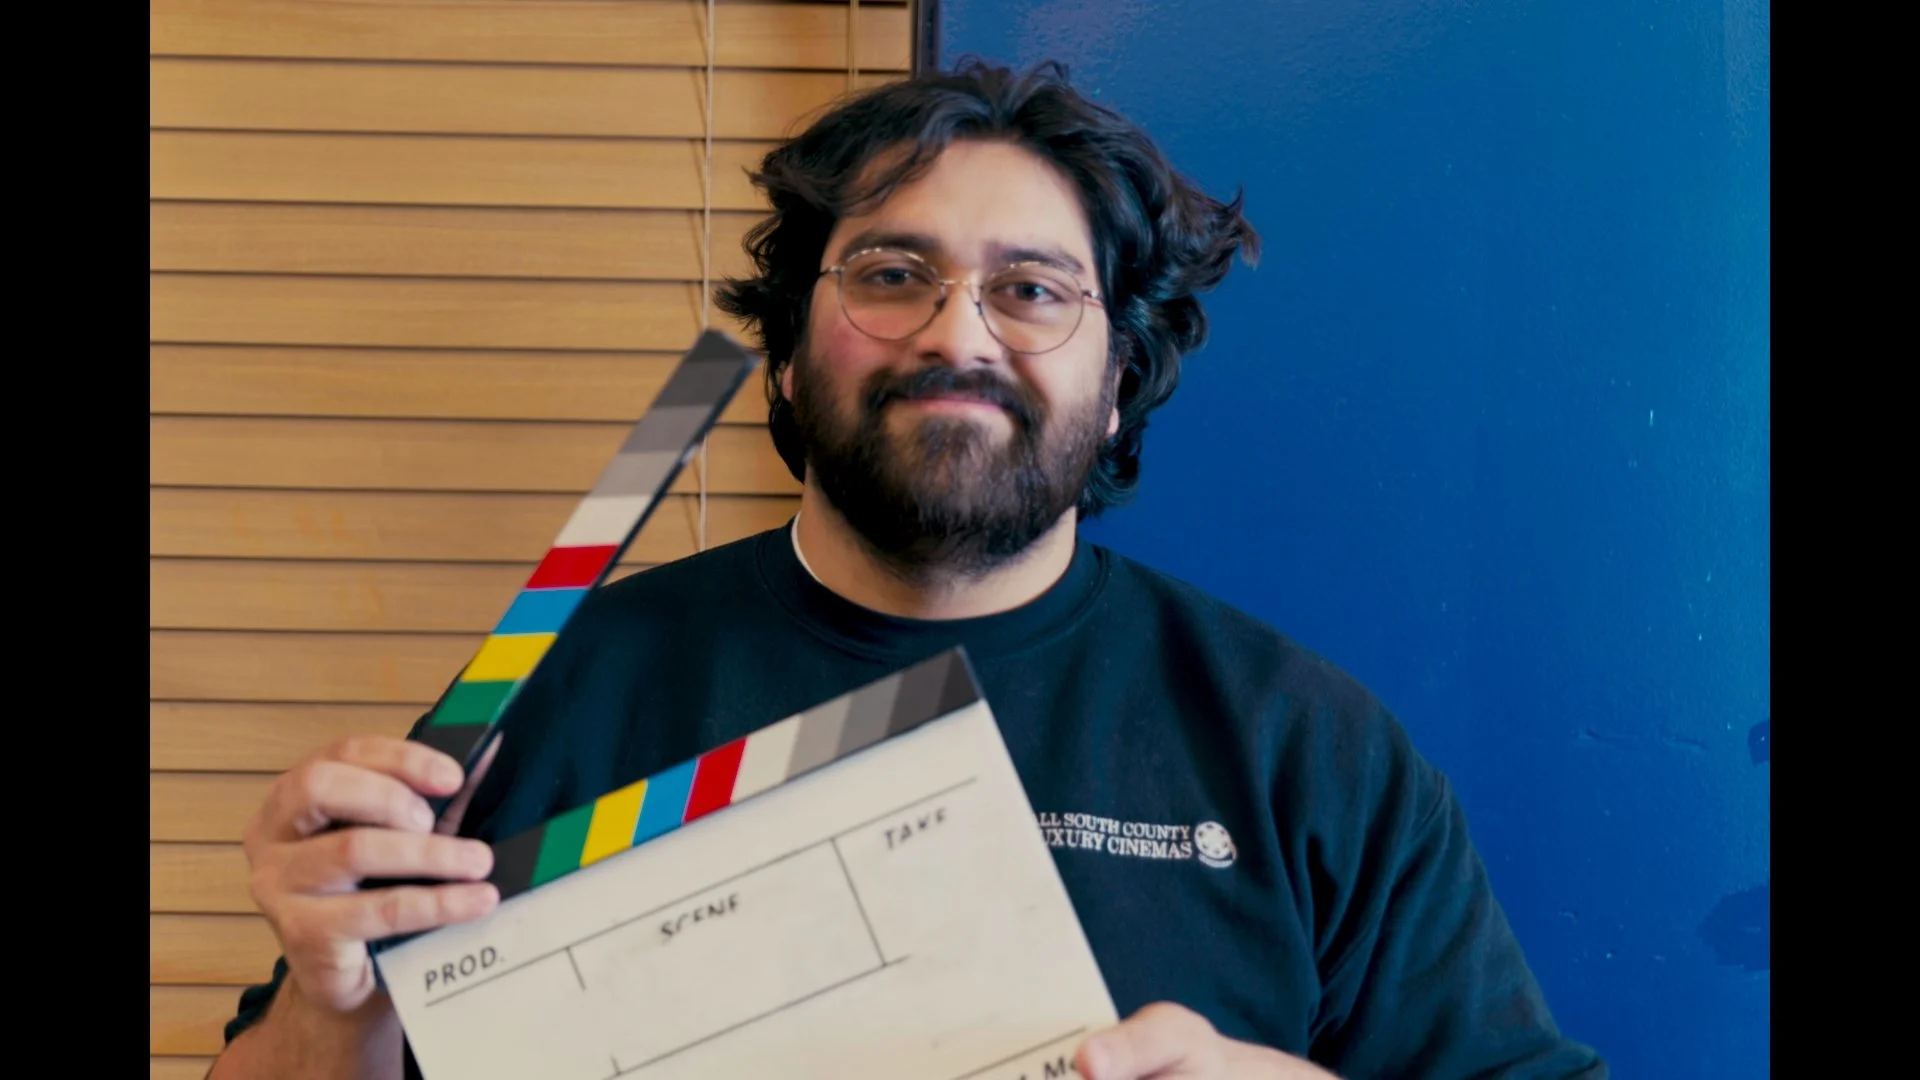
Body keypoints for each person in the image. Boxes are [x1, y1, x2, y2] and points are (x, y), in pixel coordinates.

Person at [209, 59, 1607, 1080]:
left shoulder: (1304, 744)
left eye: (1032, 288)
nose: (958, 333)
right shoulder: (558, 690)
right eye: (889, 273)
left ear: (1118, 382)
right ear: (784, 350)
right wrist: (334, 1002)